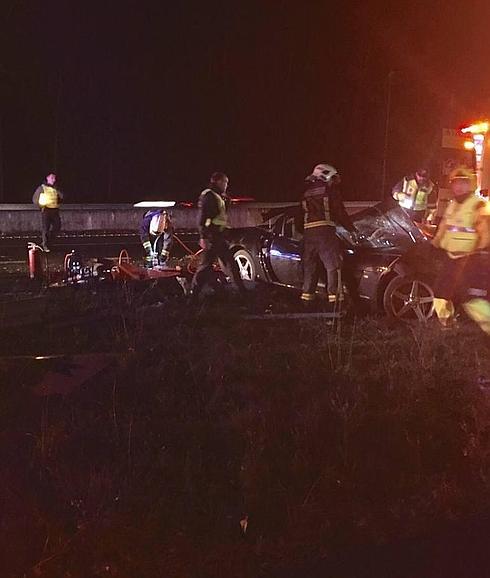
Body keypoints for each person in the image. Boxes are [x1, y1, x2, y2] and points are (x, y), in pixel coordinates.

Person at [432, 167, 490, 333]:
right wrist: (435, 244)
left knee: (472, 300)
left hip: (471, 259)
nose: (459, 187)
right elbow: (445, 227)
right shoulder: (452, 205)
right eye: (456, 183)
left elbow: (486, 231)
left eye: (463, 183)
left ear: (470, 185)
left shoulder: (478, 205)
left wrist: (483, 251)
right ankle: (447, 326)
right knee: (440, 294)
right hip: (451, 258)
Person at [300, 163, 359, 304]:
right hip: (325, 233)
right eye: (332, 178)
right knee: (334, 266)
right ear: (325, 175)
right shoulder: (329, 191)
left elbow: (299, 215)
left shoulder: (306, 192)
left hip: (309, 234)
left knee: (310, 267)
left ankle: (307, 301)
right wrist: (352, 229)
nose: (334, 182)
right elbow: (340, 212)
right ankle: (335, 302)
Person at [190, 172, 246, 299]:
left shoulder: (218, 196)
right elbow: (203, 218)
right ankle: (193, 295)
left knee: (230, 263)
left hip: (219, 236)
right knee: (205, 267)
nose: (226, 185)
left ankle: (241, 291)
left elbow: (220, 216)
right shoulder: (208, 196)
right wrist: (203, 237)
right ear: (218, 182)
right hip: (211, 237)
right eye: (225, 182)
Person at [32, 173, 63, 252]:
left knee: (57, 226)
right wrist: (40, 206)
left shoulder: (55, 188)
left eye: (54, 178)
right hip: (46, 209)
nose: (54, 180)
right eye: (52, 178)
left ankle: (48, 241)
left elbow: (62, 196)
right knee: (45, 228)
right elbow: (35, 198)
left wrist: (58, 193)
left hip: (55, 210)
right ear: (47, 178)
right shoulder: (42, 188)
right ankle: (45, 245)